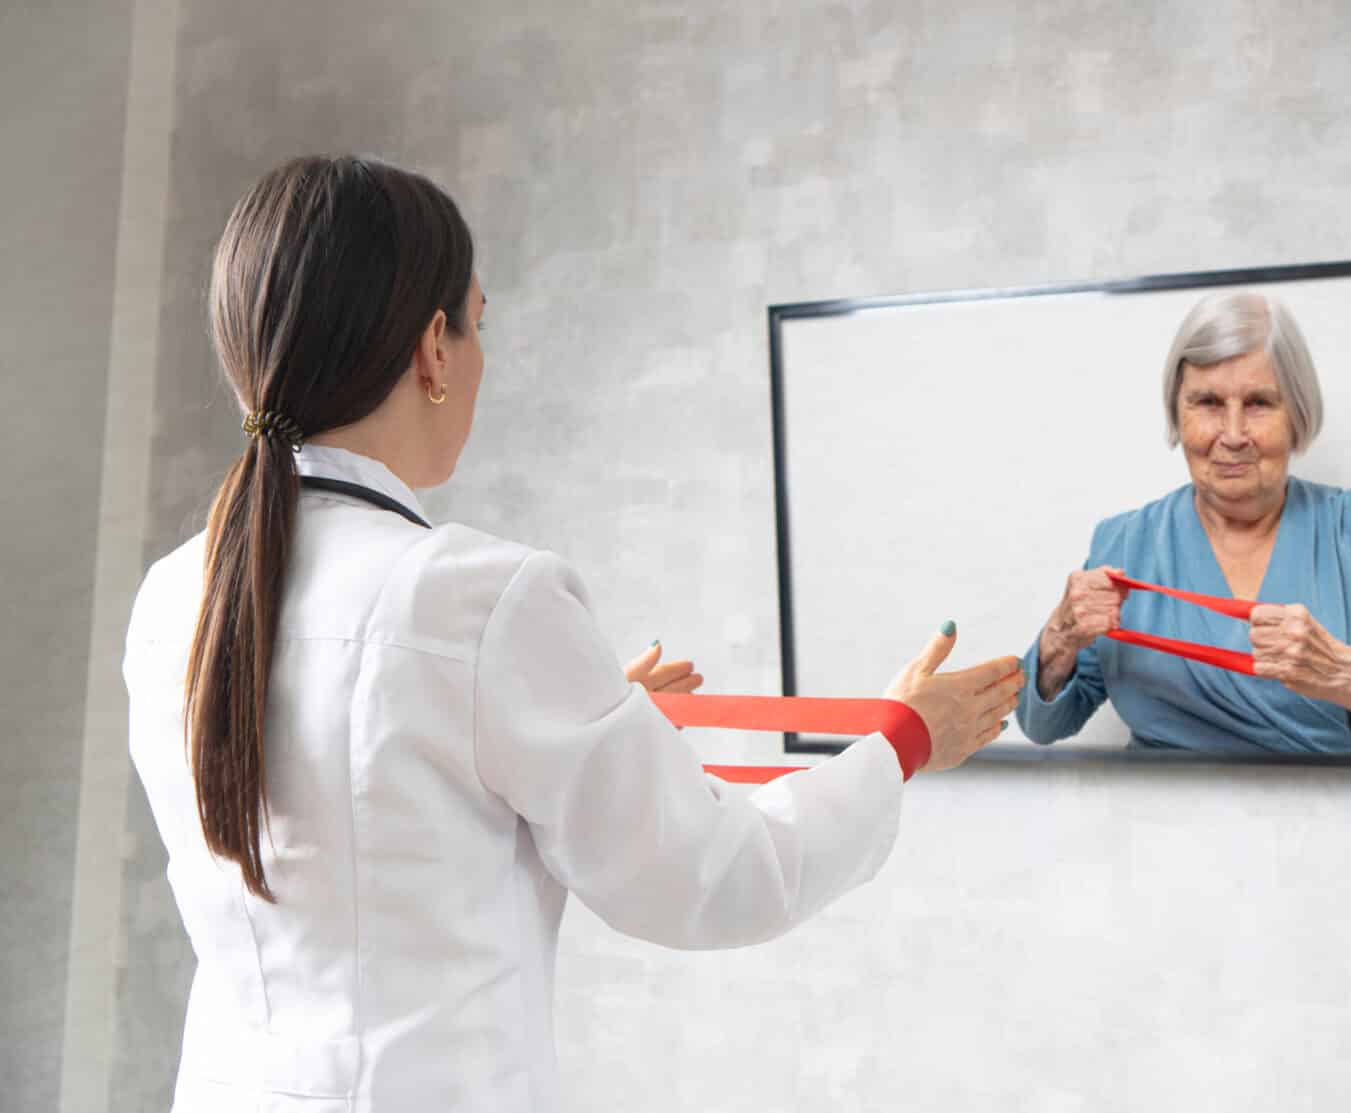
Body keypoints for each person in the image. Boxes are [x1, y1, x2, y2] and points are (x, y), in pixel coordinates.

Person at [124, 155, 1024, 1112]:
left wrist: (597, 720)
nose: (479, 356)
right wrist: (904, 738)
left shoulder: (171, 598)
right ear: (434, 350)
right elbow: (716, 877)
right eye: (478, 323)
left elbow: (374, 808)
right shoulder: (479, 599)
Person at [1016, 290, 1351, 755]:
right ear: (1177, 413)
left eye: (1258, 403)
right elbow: (1043, 722)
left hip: (1332, 801)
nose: (1232, 435)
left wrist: (1337, 671)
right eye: (1208, 402)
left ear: (1297, 415)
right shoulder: (1126, 543)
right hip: (1162, 802)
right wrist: (1059, 639)